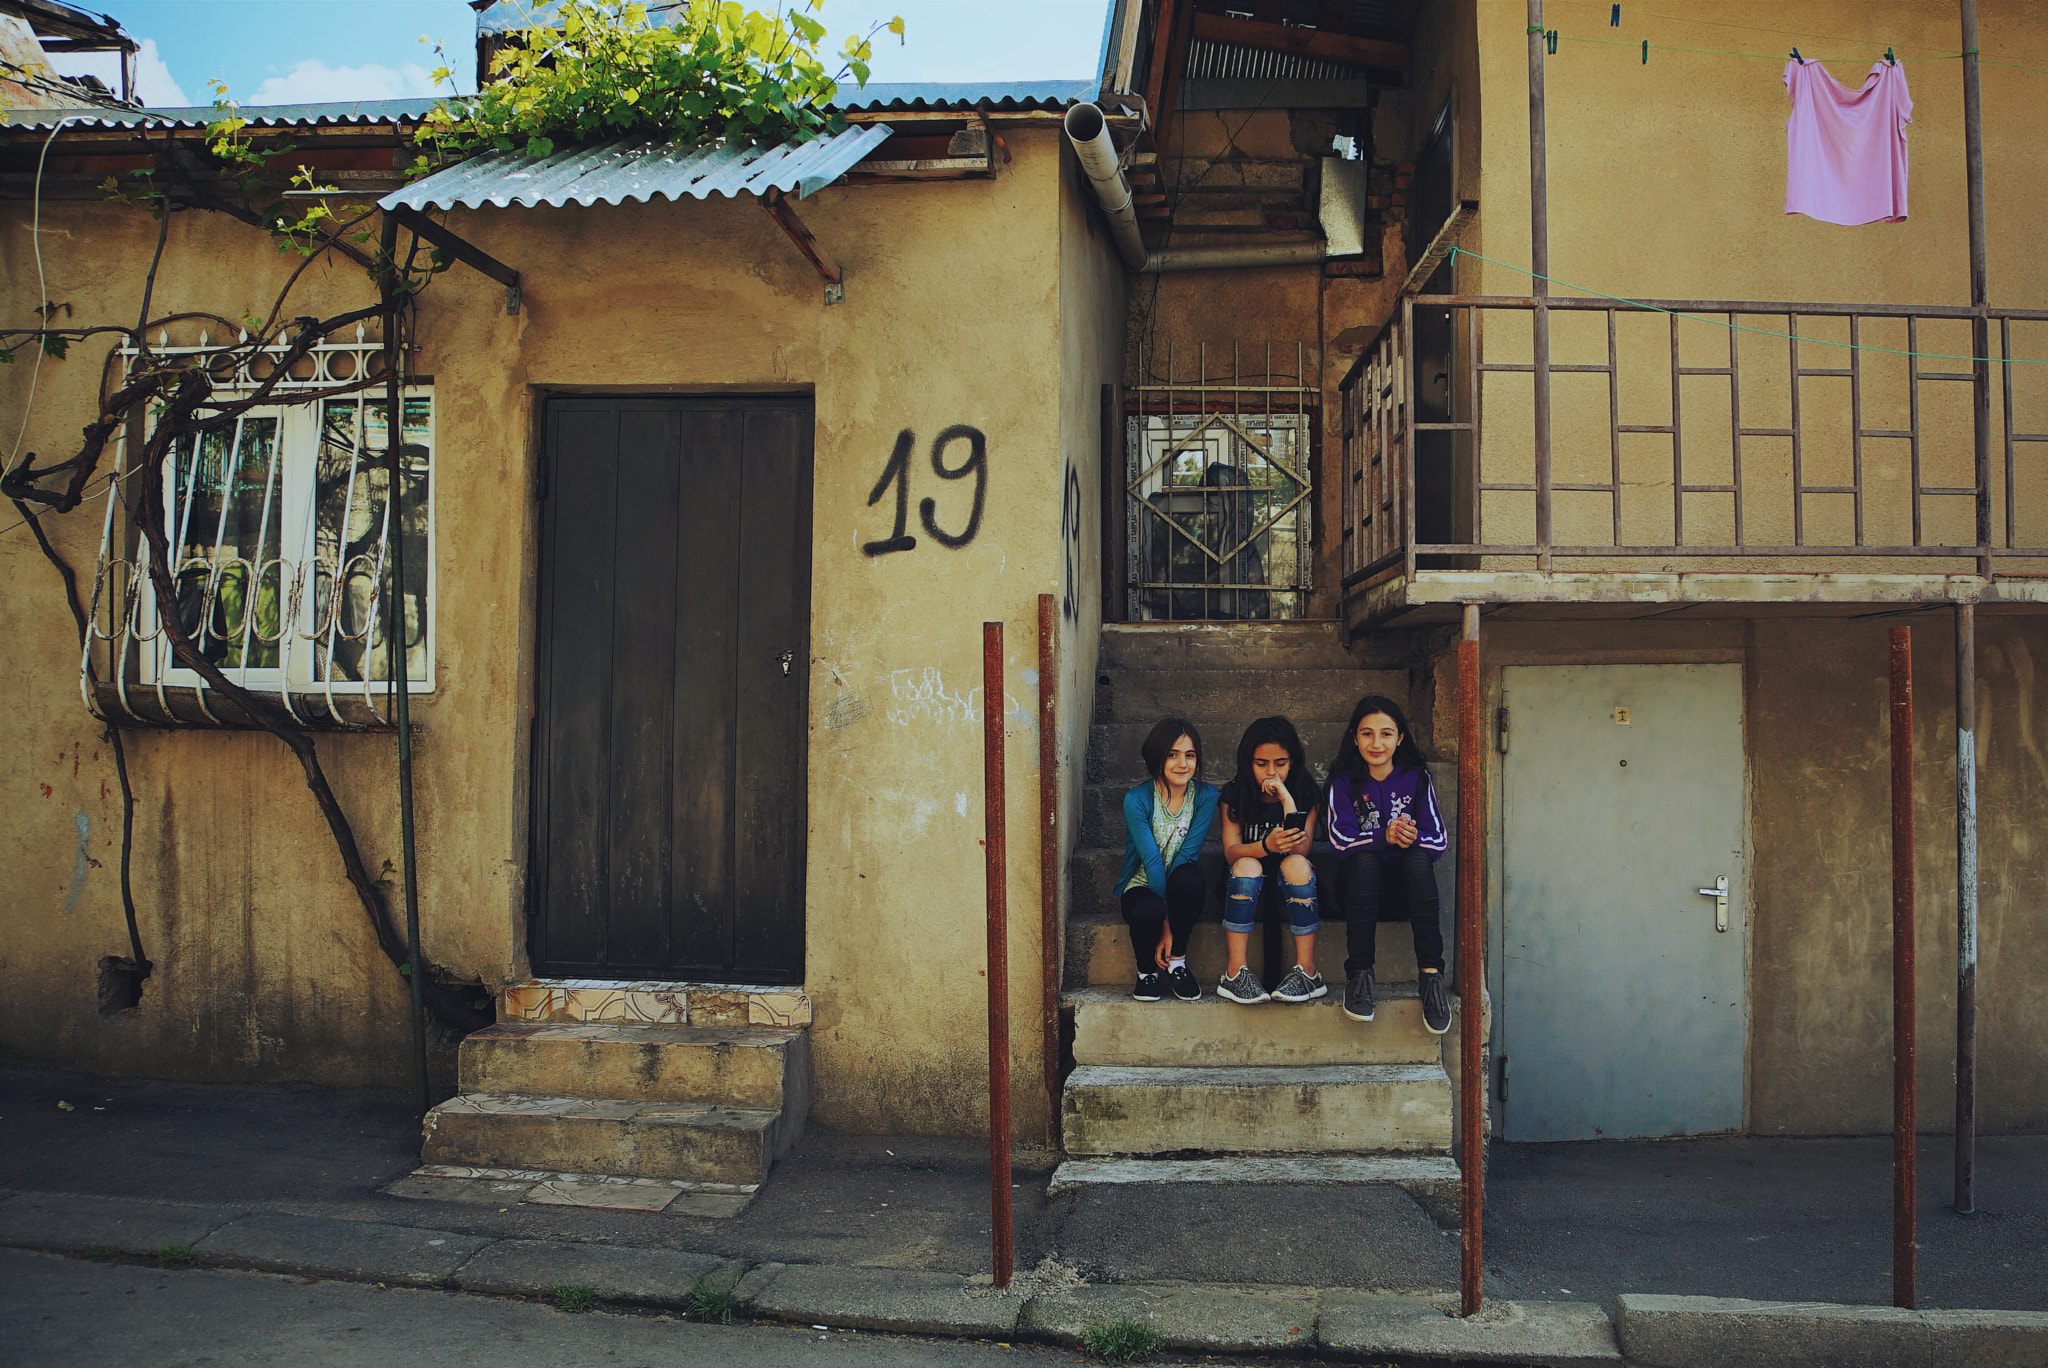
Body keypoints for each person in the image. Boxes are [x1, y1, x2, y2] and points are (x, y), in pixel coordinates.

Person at [1326, 694, 1451, 1034]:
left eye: (1386, 733)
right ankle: (1360, 976)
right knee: (1365, 860)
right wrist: (1385, 836)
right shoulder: (1343, 782)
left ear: (1400, 738)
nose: (1376, 743)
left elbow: (1438, 838)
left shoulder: (1416, 778)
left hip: (1405, 893)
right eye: (1367, 734)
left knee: (1417, 858)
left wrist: (1408, 837)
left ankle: (1430, 978)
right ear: (1355, 738)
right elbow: (1340, 841)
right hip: (1357, 891)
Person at [1215, 716, 1322, 1005]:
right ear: (1248, 761)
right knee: (1247, 863)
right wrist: (1265, 846)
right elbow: (1231, 851)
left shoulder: (1305, 792)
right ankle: (1235, 973)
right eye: (1261, 763)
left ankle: (1308, 973)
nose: (1271, 772)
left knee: (1295, 864)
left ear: (1293, 761)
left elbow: (1302, 850)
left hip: (1293, 890)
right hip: (1246, 890)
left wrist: (1287, 800)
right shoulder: (1235, 794)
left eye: (1280, 763)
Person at [1118, 718, 1218, 1001]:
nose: (1182, 764)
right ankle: (1147, 972)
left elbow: (1187, 854)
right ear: (1157, 757)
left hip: (1177, 885)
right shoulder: (1137, 799)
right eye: (1172, 754)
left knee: (1190, 877)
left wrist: (1172, 930)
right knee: (1148, 909)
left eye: (1190, 755)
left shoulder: (1206, 795)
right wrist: (1165, 926)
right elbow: (1150, 860)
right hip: (1141, 885)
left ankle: (1177, 961)